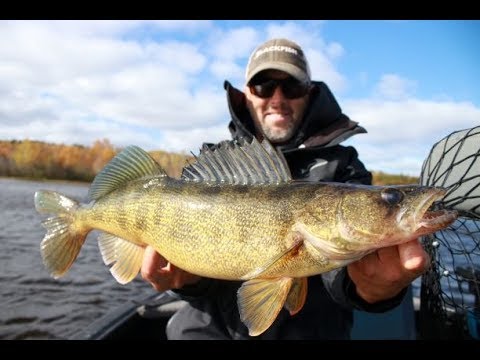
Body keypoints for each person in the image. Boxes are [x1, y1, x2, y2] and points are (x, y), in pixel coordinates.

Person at [140, 38, 430, 339]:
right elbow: (205, 279)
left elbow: (338, 272)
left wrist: (372, 290)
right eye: (264, 86)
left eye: (291, 87)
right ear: (246, 95)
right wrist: (189, 281)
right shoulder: (219, 166)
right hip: (211, 327)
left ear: (310, 93)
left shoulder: (344, 169)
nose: (277, 98)